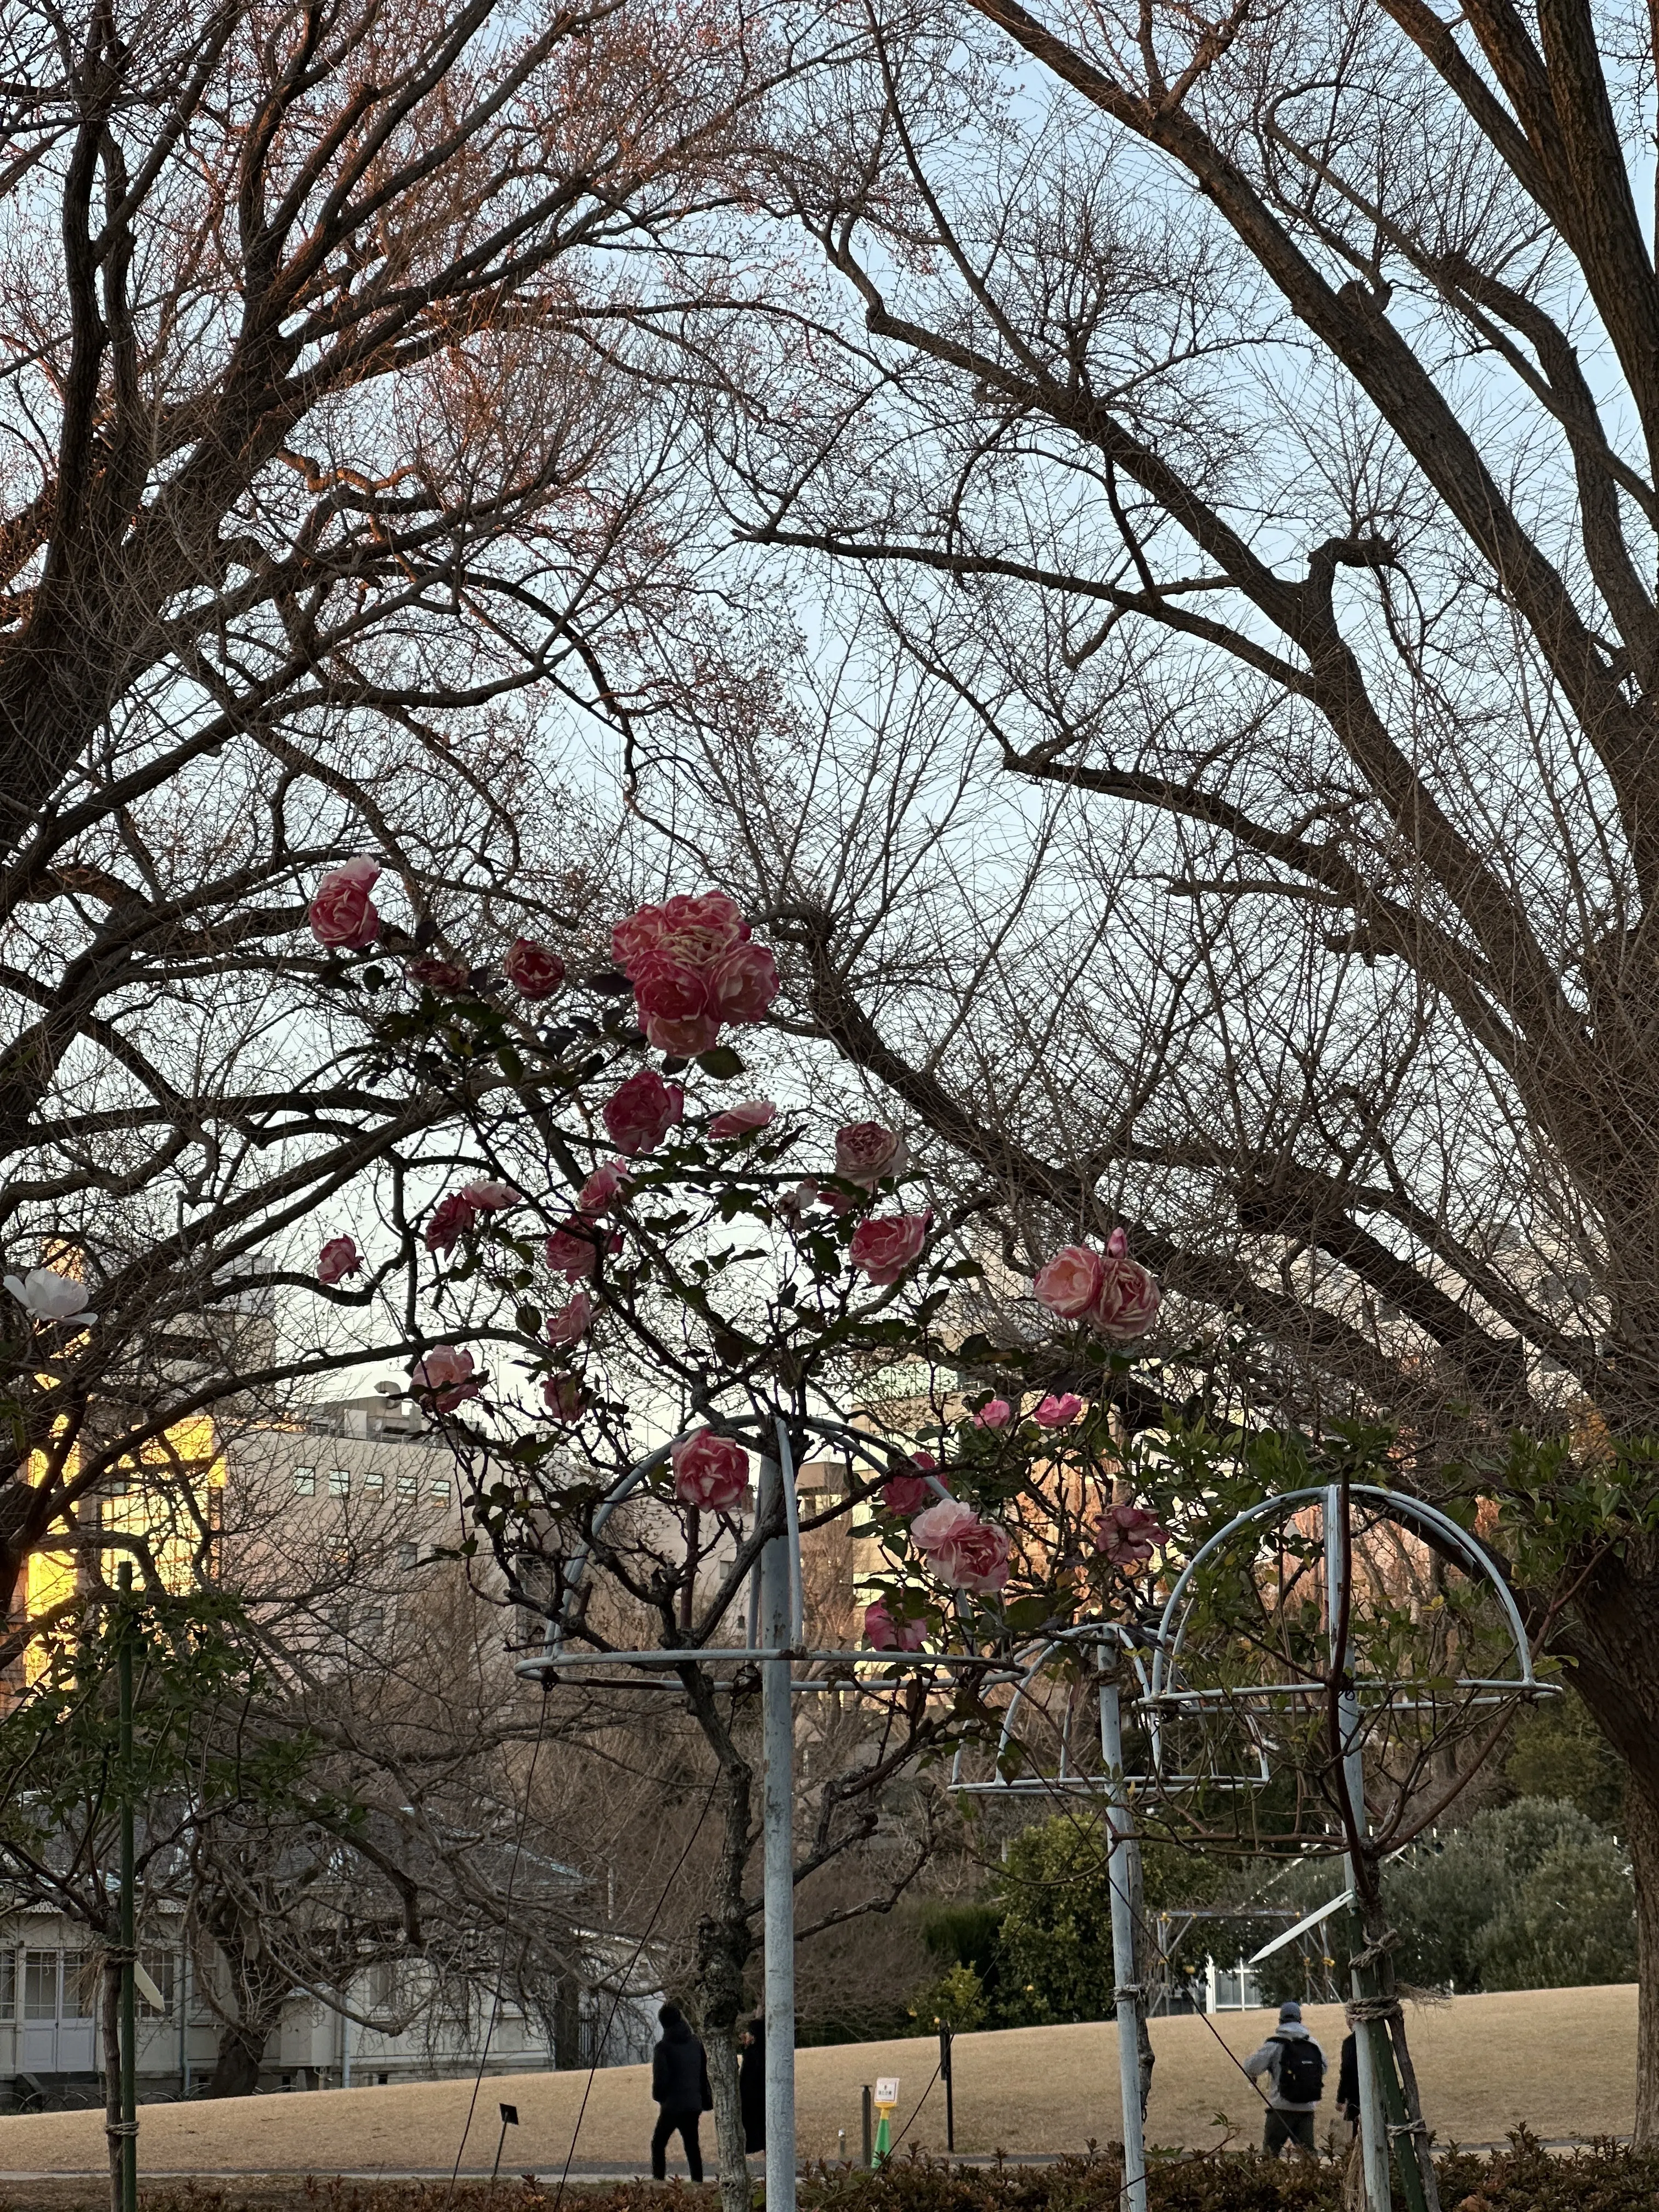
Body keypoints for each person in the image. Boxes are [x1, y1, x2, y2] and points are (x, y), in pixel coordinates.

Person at [1243, 2000, 1328, 2156]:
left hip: (1280, 2108)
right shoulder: (1312, 2043)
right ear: (1300, 2020)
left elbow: (1252, 2067)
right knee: (1308, 2156)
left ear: (1280, 2021)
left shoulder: (1275, 2044)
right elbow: (1323, 2068)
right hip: (1307, 2108)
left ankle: (1269, 2180)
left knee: (1270, 2153)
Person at [651, 2002, 712, 2182]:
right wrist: (704, 2098)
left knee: (658, 2143)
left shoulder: (663, 2048)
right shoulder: (695, 2043)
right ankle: (698, 2181)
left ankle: (659, 2180)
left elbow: (661, 2079)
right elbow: (702, 2074)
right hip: (693, 2103)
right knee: (692, 2146)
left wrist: (659, 2096)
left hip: (673, 2105)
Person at [739, 2013, 766, 2154]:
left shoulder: (752, 2055)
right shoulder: (763, 2052)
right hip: (761, 2098)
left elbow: (747, 2079)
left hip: (751, 2099)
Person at [1336, 2031, 1360, 2136]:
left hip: (1355, 2099)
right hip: (1380, 2098)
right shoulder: (1384, 2039)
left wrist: (1341, 2098)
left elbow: (1346, 2070)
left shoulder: (1350, 2042)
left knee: (1353, 2137)